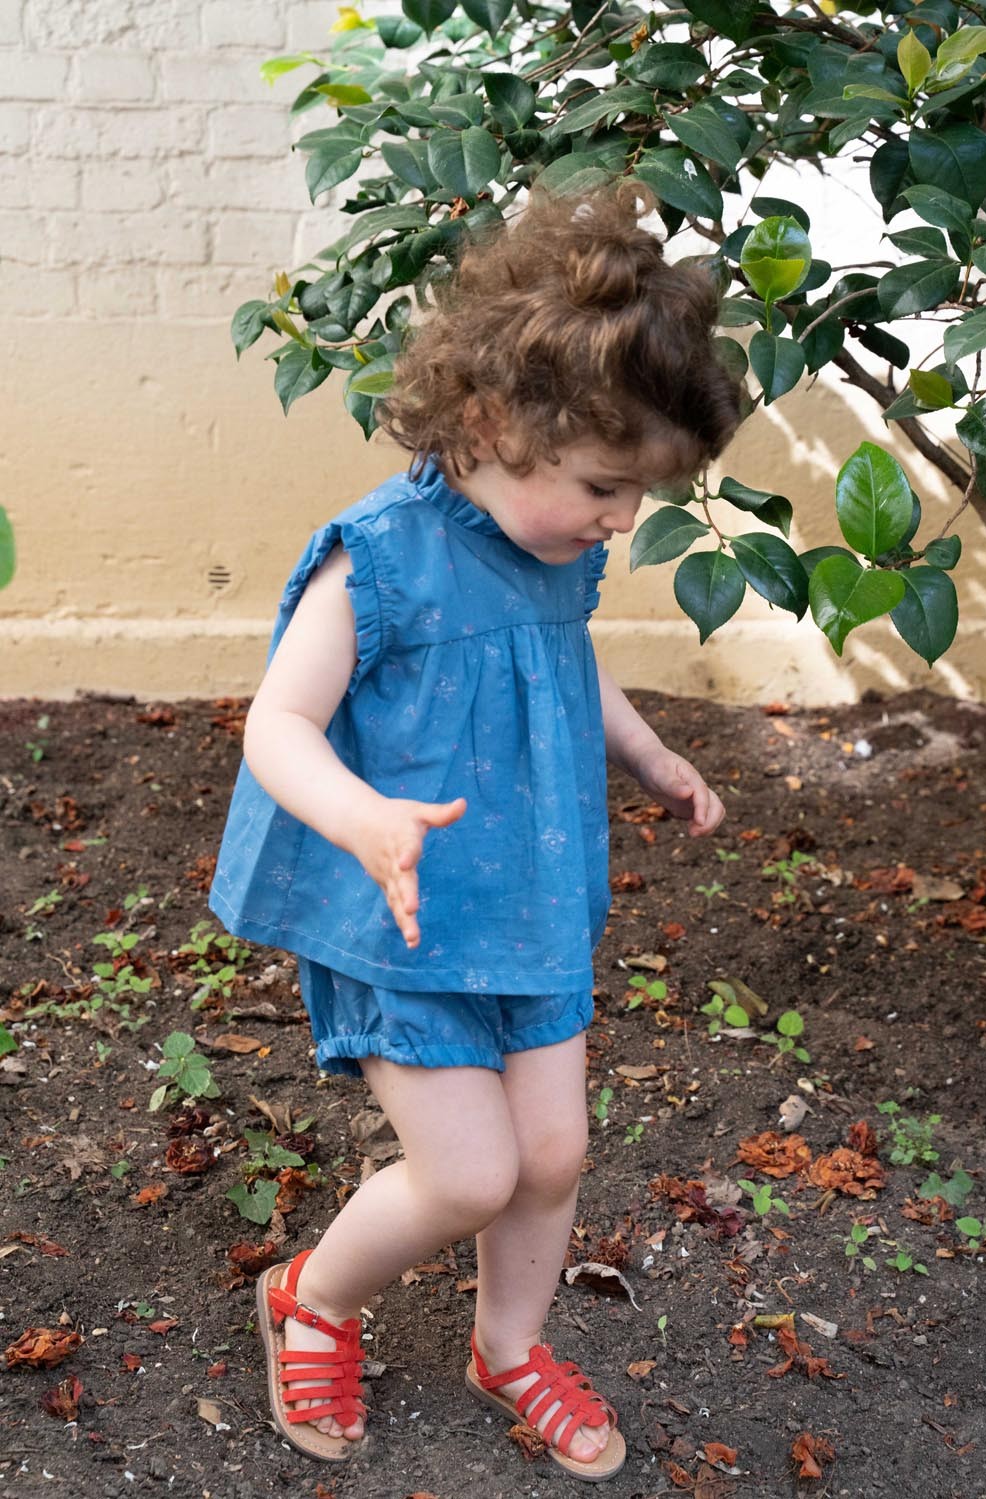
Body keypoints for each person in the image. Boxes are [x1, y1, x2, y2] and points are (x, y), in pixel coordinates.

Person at [210, 186, 740, 1479]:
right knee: (466, 1174)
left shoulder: (550, 544)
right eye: (607, 488)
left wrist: (648, 751)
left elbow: (558, 662)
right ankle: (313, 1301)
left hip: (530, 903)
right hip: (402, 914)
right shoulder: (376, 560)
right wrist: (362, 817)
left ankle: (507, 1345)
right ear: (497, 423)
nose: (620, 522)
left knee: (551, 1154)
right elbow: (277, 723)